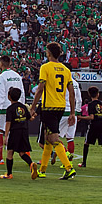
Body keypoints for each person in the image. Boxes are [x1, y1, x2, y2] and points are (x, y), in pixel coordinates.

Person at [31, 42, 77, 180]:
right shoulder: (65, 70)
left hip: (48, 106)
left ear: (48, 53)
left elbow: (40, 88)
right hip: (61, 106)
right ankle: (42, 170)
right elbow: (71, 92)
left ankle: (68, 168)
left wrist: (33, 106)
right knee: (47, 139)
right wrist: (73, 112)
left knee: (53, 138)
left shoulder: (45, 67)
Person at [0, 54, 24, 165]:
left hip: (5, 108)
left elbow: (1, 94)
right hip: (18, 107)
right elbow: (22, 92)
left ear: (1, 64)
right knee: (17, 132)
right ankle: (26, 157)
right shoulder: (17, 76)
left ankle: (0, 158)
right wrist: (23, 106)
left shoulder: (1, 77)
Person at [1, 87, 35, 180]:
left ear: (9, 97)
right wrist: (34, 114)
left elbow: (8, 123)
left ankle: (9, 174)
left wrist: (6, 135)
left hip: (15, 131)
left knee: (10, 152)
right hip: (24, 131)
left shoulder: (10, 109)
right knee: (22, 152)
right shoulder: (23, 107)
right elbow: (30, 118)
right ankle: (31, 164)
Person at [79, 86, 102, 170]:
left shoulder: (90, 105)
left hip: (94, 125)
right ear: (98, 94)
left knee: (86, 143)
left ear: (89, 94)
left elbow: (91, 117)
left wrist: (81, 117)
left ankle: (84, 162)